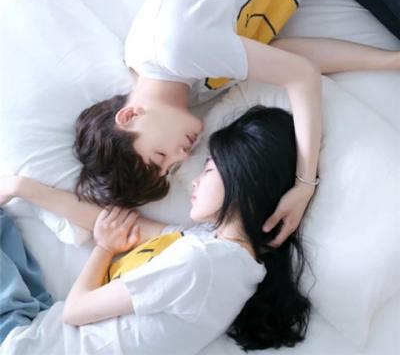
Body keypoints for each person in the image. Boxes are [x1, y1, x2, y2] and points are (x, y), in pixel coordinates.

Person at [73, 0, 400, 247]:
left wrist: (304, 184)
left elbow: (301, 75)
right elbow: (283, 57)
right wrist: (388, 61)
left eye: (160, 155)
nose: (182, 155)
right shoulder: (189, 87)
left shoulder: (175, 46)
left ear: (130, 116)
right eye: (171, 168)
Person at [1, 106, 310, 354]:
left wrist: (104, 249)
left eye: (209, 169)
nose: (195, 181)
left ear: (244, 184)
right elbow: (117, 223)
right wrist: (21, 187)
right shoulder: (225, 258)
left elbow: (75, 310)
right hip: (40, 326)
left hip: (25, 341)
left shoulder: (201, 264)